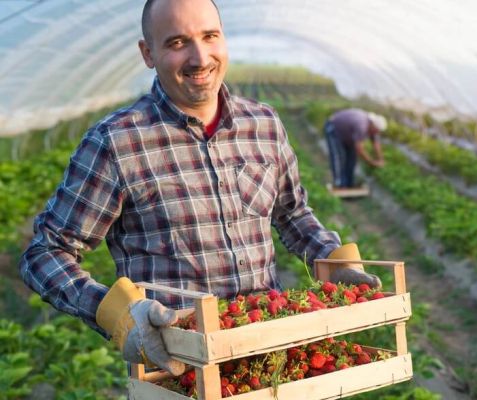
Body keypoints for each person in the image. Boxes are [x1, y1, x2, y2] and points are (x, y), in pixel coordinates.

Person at [19, 0, 379, 377]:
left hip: (269, 365)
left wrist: (335, 262)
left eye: (210, 37)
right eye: (177, 43)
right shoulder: (117, 143)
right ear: (148, 53)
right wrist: (118, 314)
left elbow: (291, 213)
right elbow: (45, 252)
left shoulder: (264, 125)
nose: (200, 57)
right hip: (178, 372)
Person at [324, 108, 387, 188]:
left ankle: (349, 183)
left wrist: (380, 159)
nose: (376, 133)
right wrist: (371, 162)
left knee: (352, 159)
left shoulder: (373, 128)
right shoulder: (361, 125)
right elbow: (359, 149)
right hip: (334, 129)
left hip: (348, 135)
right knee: (338, 157)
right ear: (372, 125)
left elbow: (376, 144)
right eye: (376, 131)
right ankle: (339, 183)